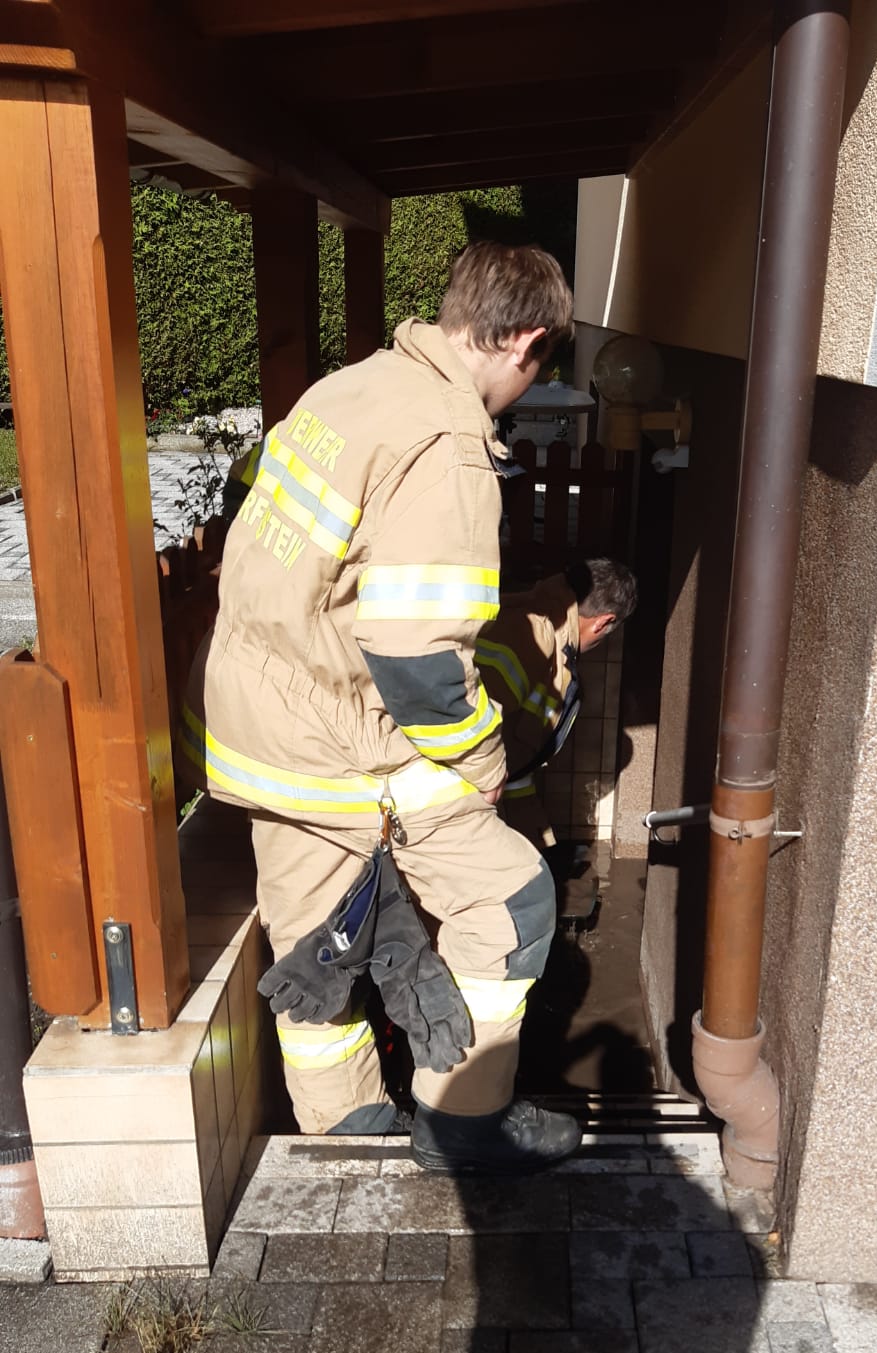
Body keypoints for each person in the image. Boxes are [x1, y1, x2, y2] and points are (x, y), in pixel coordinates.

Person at [185, 241, 582, 1176]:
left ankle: (344, 1129)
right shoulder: (443, 445)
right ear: (526, 340)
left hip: (259, 720)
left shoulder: (351, 388)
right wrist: (483, 765)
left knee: (310, 934)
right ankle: (464, 1123)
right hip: (341, 734)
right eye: (541, 364)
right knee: (511, 899)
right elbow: (417, 660)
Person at [475, 558, 637, 852]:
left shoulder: (547, 634)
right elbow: (471, 727)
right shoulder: (531, 636)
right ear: (603, 622)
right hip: (460, 799)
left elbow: (515, 754)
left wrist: (538, 840)